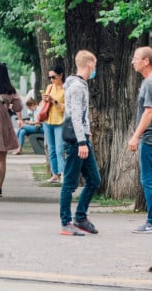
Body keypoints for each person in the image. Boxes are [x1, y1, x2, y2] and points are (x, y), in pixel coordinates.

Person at [59, 50, 101, 236]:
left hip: (83, 138)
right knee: (69, 182)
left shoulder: (79, 85)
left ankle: (81, 217)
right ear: (89, 64)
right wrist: (82, 141)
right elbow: (76, 116)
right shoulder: (76, 87)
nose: (95, 69)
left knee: (94, 179)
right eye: (95, 65)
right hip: (77, 140)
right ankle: (66, 222)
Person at [127, 47, 152, 233]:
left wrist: (136, 136)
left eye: (136, 58)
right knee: (150, 179)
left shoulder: (151, 83)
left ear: (146, 61)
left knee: (149, 180)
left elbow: (149, 111)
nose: (133, 61)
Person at [0, 62, 23, 198]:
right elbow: (19, 107)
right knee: (1, 157)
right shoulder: (11, 90)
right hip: (4, 126)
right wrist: (10, 104)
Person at [41, 66, 66, 183]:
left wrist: (53, 101)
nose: (51, 79)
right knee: (51, 149)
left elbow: (65, 108)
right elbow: (44, 104)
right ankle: (54, 174)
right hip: (48, 121)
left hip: (60, 122)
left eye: (53, 77)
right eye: (50, 77)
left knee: (59, 149)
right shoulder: (50, 87)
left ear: (60, 75)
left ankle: (63, 174)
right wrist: (45, 100)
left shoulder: (66, 89)